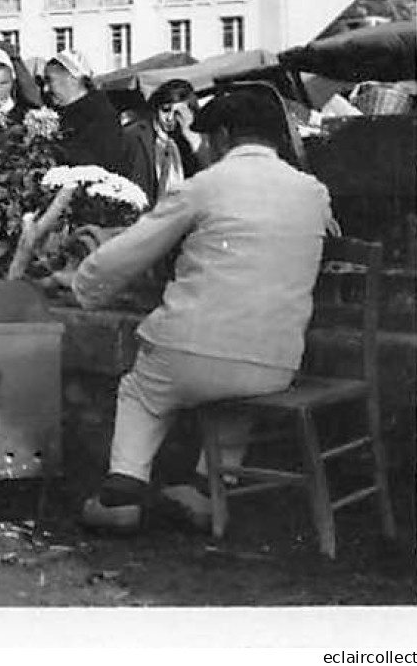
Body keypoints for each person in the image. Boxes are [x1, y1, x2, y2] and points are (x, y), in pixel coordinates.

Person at [61, 84, 334, 534]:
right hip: (274, 362)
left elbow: (129, 252)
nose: (204, 146)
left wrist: (83, 285)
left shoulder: (204, 186)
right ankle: (209, 489)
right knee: (235, 395)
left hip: (191, 353)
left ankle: (120, 495)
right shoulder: (313, 191)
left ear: (224, 135)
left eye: (208, 138)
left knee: (142, 392)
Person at [42, 49, 132, 176]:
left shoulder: (99, 115)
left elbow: (99, 164)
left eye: (50, 80)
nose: (45, 89)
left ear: (72, 78)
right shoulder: (58, 112)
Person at [122, 78, 207, 207]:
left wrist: (190, 134)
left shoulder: (190, 142)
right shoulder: (136, 135)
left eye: (178, 113)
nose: (170, 118)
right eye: (166, 110)